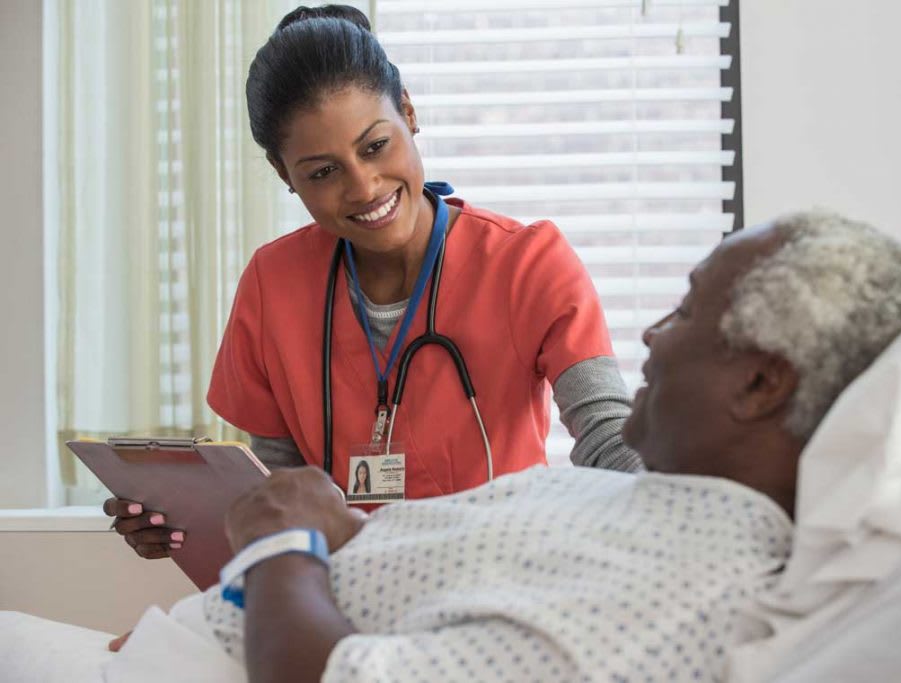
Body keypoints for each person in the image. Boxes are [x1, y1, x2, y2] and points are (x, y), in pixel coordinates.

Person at [189, 211, 901, 682]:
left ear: (759, 384)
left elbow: (606, 429)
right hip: (234, 614)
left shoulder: (667, 597)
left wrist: (281, 541)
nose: (650, 332)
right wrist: (312, 528)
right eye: (319, 172)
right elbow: (301, 498)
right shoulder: (621, 505)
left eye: (684, 310)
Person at [103, 5, 640, 558]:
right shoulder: (273, 285)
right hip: (339, 597)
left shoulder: (527, 263)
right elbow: (279, 492)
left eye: (375, 146)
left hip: (498, 580)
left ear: (408, 112)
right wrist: (187, 526)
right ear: (284, 174)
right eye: (322, 172)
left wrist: (693, 509)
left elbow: (606, 434)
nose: (363, 188)